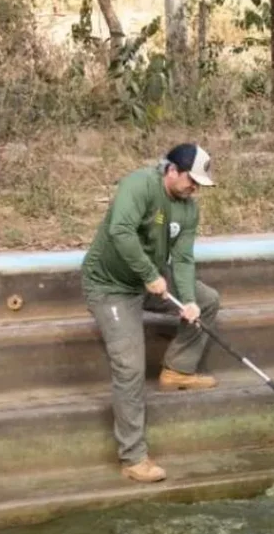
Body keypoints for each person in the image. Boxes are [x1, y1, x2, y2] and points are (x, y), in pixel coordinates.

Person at [81, 143, 221, 483]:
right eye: (192, 181)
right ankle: (133, 457)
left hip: (151, 280)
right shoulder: (139, 185)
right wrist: (148, 275)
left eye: (199, 185)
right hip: (111, 287)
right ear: (172, 170)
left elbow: (184, 259)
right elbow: (120, 231)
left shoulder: (188, 209)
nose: (194, 189)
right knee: (129, 367)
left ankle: (178, 369)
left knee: (207, 299)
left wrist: (187, 301)